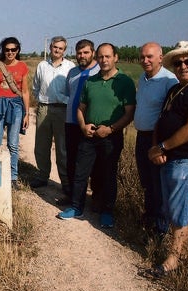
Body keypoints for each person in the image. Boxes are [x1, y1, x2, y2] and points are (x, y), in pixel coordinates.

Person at [145, 41, 188, 277]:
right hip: (168, 157)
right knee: (169, 206)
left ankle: (175, 258)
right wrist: (157, 147)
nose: (183, 66)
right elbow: (161, 120)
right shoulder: (174, 90)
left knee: (177, 208)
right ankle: (176, 252)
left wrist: (163, 146)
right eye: (178, 63)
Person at [57, 43, 136, 229]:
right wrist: (83, 126)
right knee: (80, 172)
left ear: (115, 57)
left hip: (111, 136)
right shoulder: (90, 81)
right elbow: (80, 108)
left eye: (107, 56)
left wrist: (110, 129)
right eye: (100, 57)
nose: (104, 60)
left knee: (108, 174)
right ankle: (76, 207)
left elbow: (129, 113)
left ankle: (107, 211)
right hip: (89, 135)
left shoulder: (124, 81)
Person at [134, 42, 178, 238]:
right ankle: (149, 220)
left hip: (157, 140)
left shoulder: (169, 81)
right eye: (142, 57)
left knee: (158, 184)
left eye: (150, 56)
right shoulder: (143, 78)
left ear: (161, 58)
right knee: (146, 181)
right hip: (141, 137)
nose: (145, 60)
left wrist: (162, 146)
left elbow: (172, 116)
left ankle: (160, 230)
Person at [0, 37, 30, 190]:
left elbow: (25, 91)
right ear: (3, 50)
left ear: (18, 51)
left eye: (13, 50)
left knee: (13, 144)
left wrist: (27, 113)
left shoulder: (22, 66)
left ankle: (12, 177)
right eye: (7, 49)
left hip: (15, 107)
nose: (10, 52)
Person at [31, 36, 75, 191]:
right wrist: (40, 100)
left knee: (62, 148)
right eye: (55, 47)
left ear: (64, 50)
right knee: (41, 145)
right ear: (50, 47)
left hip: (62, 110)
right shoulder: (42, 65)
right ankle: (42, 176)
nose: (57, 50)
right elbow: (35, 87)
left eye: (61, 48)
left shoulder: (70, 66)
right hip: (44, 108)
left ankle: (66, 182)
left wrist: (65, 101)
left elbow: (74, 89)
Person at [63, 39, 101, 206]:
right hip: (71, 122)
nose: (82, 56)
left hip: (90, 124)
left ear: (92, 52)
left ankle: (96, 199)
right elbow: (69, 93)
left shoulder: (100, 71)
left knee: (94, 165)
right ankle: (73, 196)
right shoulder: (72, 72)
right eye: (79, 53)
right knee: (71, 161)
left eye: (86, 52)